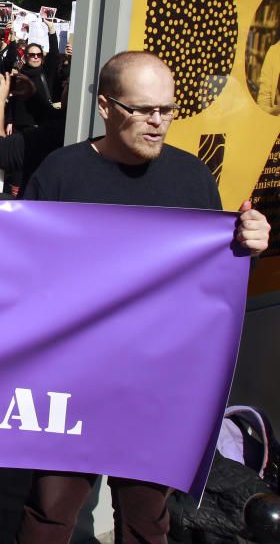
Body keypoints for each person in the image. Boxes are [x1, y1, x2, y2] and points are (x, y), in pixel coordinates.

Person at [16, 51, 271, 544]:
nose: (158, 123)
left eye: (167, 110)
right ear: (107, 107)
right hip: (73, 379)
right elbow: (20, 268)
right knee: (50, 512)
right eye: (144, 110)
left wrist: (249, 247)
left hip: (158, 383)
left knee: (147, 521)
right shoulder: (62, 172)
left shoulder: (193, 177)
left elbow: (212, 277)